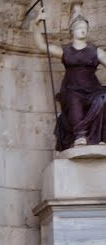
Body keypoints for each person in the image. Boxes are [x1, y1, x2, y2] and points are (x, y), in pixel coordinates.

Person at [35, 7, 106, 150]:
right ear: (72, 30)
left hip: (93, 89)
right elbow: (42, 46)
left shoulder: (95, 51)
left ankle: (98, 136)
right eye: (79, 27)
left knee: (103, 99)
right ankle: (80, 135)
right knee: (73, 99)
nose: (83, 30)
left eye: (85, 27)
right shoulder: (65, 51)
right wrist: (36, 24)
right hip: (72, 89)